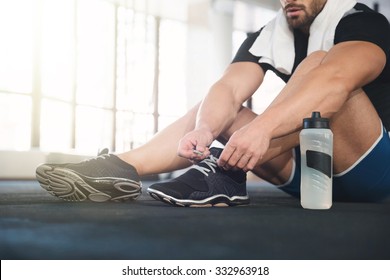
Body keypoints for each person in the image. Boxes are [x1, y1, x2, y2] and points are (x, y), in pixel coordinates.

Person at [36, 0, 390, 206]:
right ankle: (121, 168)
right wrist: (207, 129)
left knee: (318, 66)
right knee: (217, 108)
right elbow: (228, 89)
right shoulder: (269, 34)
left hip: (368, 171)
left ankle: (227, 168)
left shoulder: (364, 22)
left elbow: (337, 81)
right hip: (304, 174)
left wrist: (262, 129)